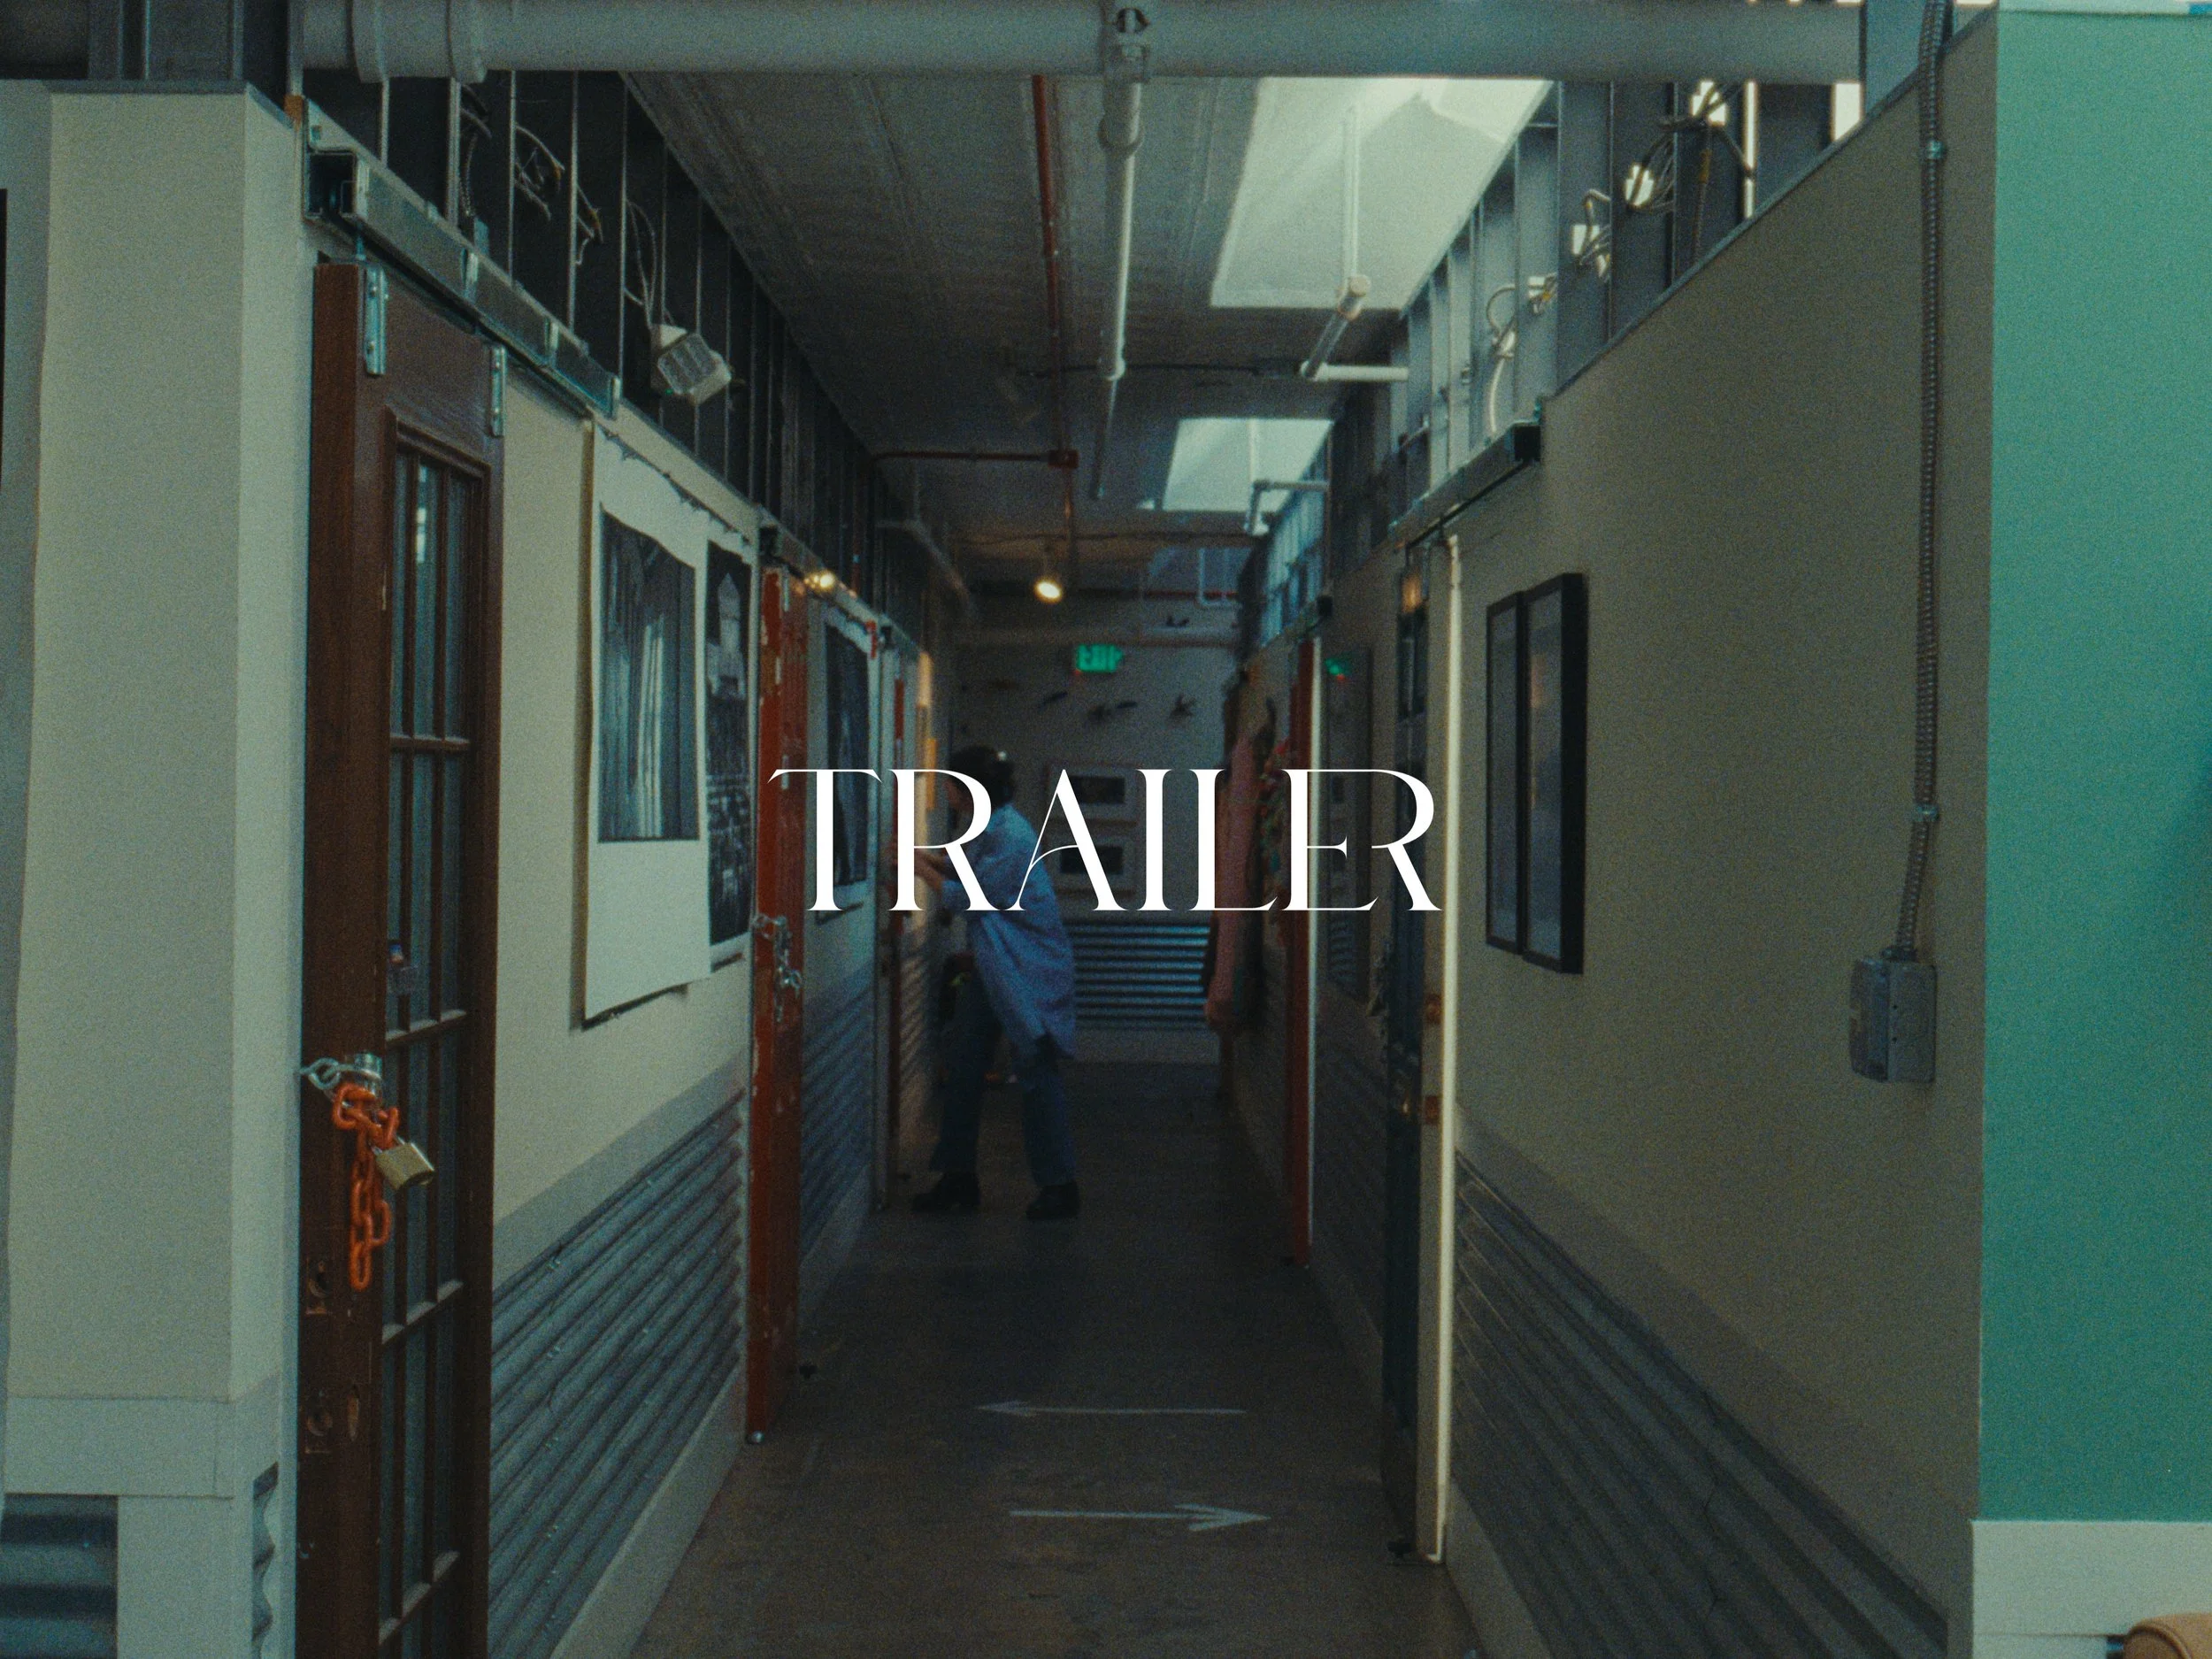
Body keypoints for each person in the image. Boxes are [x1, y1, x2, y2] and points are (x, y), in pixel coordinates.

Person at [910, 745, 1081, 1220]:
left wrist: (914, 867)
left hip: (1027, 971)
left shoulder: (1010, 836)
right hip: (996, 968)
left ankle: (1060, 1185)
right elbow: (963, 866)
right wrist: (925, 858)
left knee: (1036, 1073)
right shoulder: (990, 826)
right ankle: (958, 1177)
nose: (944, 790)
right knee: (964, 1064)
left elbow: (970, 897)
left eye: (949, 782)